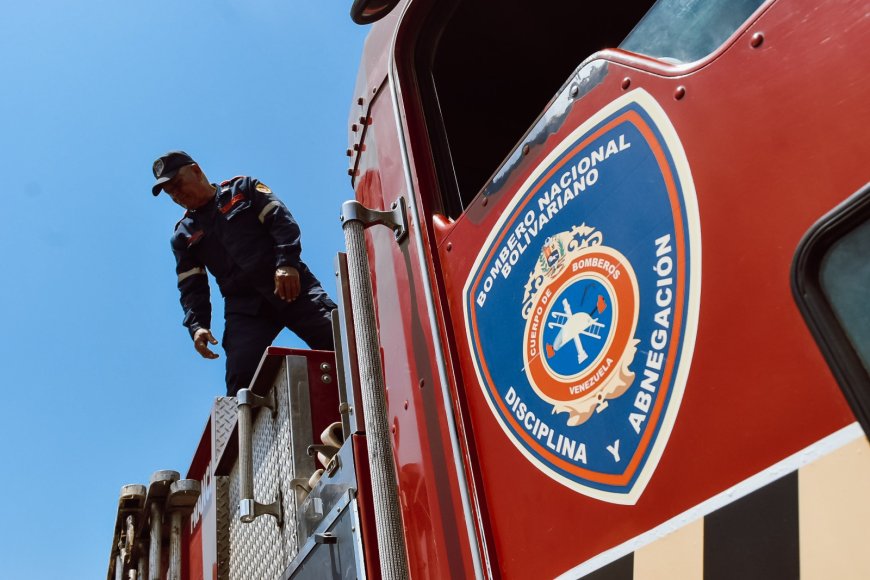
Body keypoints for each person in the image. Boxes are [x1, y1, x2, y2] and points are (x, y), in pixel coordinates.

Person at [151, 151, 336, 395]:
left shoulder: (243, 189)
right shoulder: (183, 235)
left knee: (340, 339)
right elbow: (191, 287)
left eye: (177, 184)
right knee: (241, 379)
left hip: (289, 285)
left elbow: (282, 222)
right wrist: (198, 326)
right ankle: (249, 429)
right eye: (169, 192)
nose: (176, 194)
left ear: (196, 170)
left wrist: (286, 263)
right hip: (245, 309)